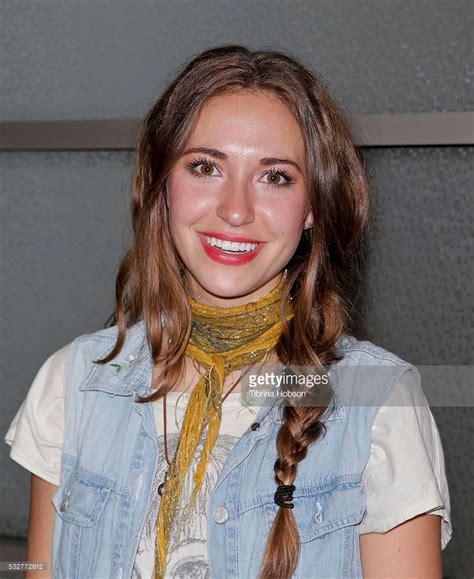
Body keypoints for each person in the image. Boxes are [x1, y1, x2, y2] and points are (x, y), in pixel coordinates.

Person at [5, 45, 451, 579]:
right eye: (205, 167)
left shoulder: (374, 401)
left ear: (313, 207)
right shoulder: (76, 384)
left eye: (275, 177)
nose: (235, 210)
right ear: (162, 186)